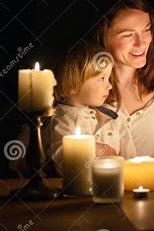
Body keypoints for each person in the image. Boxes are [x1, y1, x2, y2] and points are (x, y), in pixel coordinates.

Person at [96, 0, 154, 158]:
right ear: (103, 36)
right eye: (128, 35)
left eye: (146, 30)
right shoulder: (82, 87)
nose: (141, 43)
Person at [50, 42, 136, 173]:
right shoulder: (61, 120)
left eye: (108, 78)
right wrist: (92, 149)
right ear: (73, 84)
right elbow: (62, 161)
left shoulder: (114, 116)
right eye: (102, 79)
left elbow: (130, 159)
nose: (110, 86)